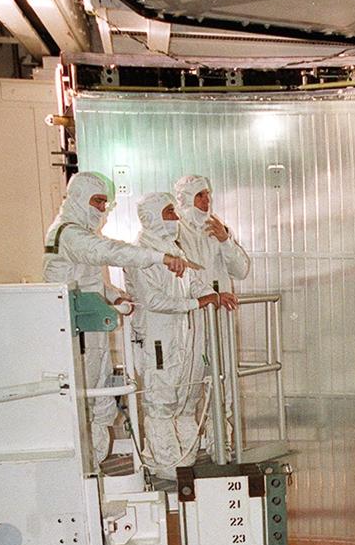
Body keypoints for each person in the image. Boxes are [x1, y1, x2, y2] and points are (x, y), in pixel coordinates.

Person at [43, 171, 195, 465]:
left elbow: (89, 281)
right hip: (74, 336)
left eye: (105, 203)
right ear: (77, 198)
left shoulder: (80, 234)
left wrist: (114, 296)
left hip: (90, 331)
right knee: (85, 402)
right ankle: (83, 471)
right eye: (97, 201)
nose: (101, 209)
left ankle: (94, 469)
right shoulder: (68, 234)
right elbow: (110, 252)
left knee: (99, 402)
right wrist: (158, 257)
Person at [124, 193, 224, 480]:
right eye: (170, 212)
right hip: (157, 338)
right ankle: (165, 463)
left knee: (185, 397)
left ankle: (184, 457)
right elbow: (153, 300)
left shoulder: (173, 249)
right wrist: (197, 303)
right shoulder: (140, 253)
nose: (176, 218)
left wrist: (212, 295)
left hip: (181, 336)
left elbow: (194, 284)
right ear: (153, 216)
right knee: (160, 401)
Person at [173, 175, 250, 450]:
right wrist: (207, 296)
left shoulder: (218, 228)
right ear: (185, 199)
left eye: (208, 195)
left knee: (224, 377)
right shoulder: (176, 232)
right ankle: (187, 445)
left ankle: (220, 441)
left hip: (221, 317)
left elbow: (241, 269)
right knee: (191, 380)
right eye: (200, 196)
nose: (206, 201)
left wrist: (226, 240)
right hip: (193, 317)